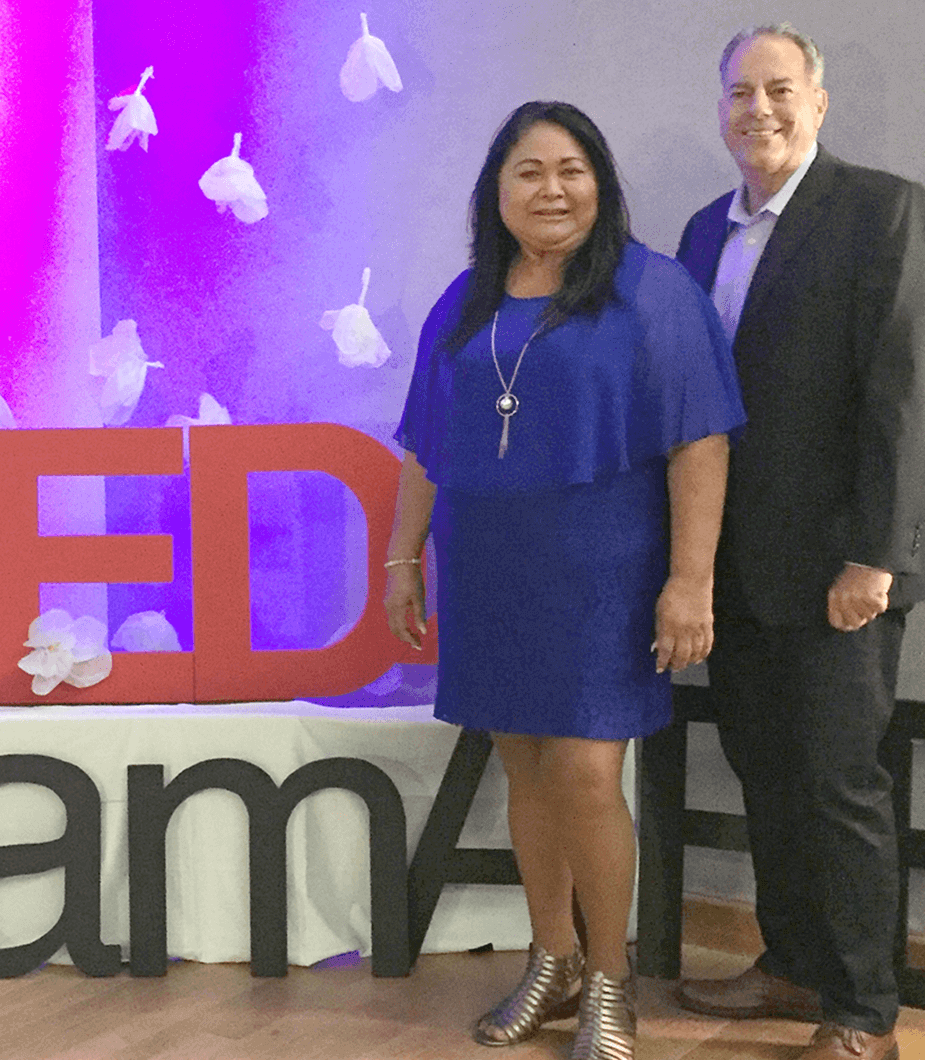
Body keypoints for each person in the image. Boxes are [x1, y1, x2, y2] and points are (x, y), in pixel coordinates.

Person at [383, 101, 744, 1058]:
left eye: (572, 169)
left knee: (586, 772)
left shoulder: (653, 292)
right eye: (529, 172)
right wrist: (399, 559)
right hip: (490, 566)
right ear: (496, 192)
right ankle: (553, 960)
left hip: (608, 572)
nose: (552, 190)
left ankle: (610, 982)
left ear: (602, 185)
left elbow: (700, 442)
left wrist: (689, 581)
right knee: (524, 766)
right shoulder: (467, 300)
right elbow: (422, 444)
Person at [673, 25, 925, 1060]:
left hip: (839, 572)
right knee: (764, 772)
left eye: (779, 90)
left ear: (817, 102)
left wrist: (877, 555)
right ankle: (788, 962)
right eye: (740, 92)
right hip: (730, 571)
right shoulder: (698, 233)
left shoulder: (880, 210)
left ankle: (863, 1007)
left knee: (838, 786)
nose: (758, 110)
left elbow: (902, 400)